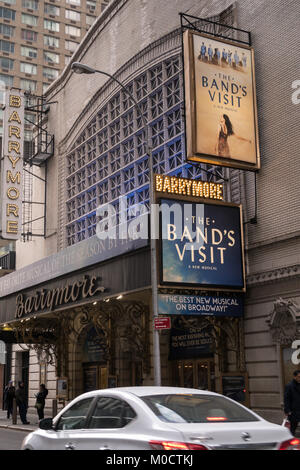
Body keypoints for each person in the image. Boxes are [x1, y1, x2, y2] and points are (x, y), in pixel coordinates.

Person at [284, 370, 300, 436]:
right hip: (294, 411)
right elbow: (286, 399)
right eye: (299, 376)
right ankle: (290, 440)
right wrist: (288, 410)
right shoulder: (289, 386)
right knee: (293, 427)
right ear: (294, 377)